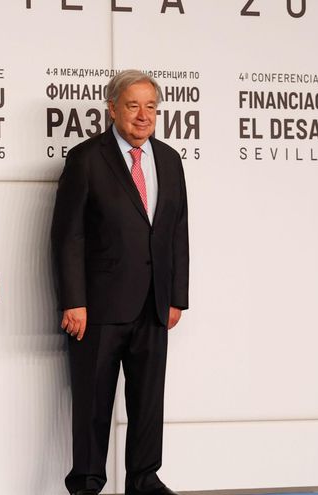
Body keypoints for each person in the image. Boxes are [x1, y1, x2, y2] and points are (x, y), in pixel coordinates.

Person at [51, 70, 189, 495]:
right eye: (133, 105)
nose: (143, 115)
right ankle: (88, 483)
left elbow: (177, 231)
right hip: (98, 307)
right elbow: (67, 235)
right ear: (111, 108)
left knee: (148, 403)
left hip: (153, 304)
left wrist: (177, 297)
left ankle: (145, 479)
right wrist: (74, 300)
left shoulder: (168, 159)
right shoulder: (86, 158)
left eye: (151, 106)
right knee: (93, 404)